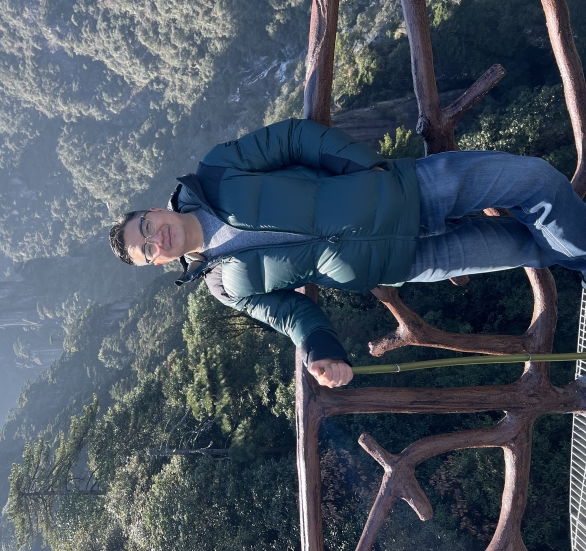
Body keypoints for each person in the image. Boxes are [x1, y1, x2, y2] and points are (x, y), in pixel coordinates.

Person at [108, 119, 586, 388]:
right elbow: (292, 315)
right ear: (158, 264)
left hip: (405, 191)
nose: (156, 239)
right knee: (531, 248)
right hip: (407, 261)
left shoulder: (215, 171)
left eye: (146, 228)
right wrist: (322, 352)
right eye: (148, 251)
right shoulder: (223, 286)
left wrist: (363, 167)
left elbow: (294, 138)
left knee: (536, 181)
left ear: (154, 210)